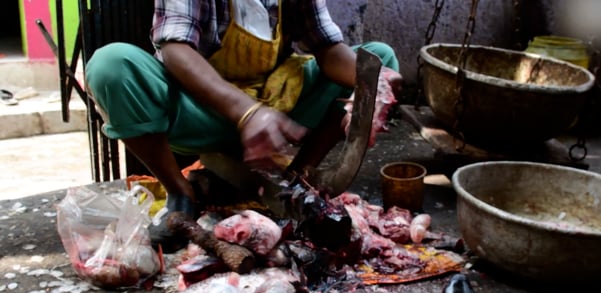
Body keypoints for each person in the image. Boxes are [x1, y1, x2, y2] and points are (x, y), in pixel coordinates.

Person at [85, 0, 402, 252]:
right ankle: (179, 192)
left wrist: (375, 84)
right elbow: (175, 50)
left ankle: (297, 183)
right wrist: (248, 114)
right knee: (111, 66)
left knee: (377, 60)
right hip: (201, 109)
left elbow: (329, 50)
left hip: (276, 102)